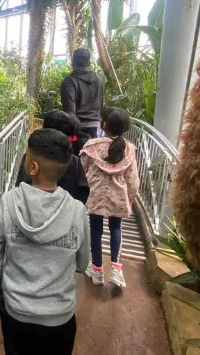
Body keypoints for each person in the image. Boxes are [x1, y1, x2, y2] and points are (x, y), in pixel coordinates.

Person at [0, 128, 90, 355]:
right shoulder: (76, 211)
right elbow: (82, 263)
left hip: (16, 311)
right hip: (59, 316)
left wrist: (0, 288)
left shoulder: (8, 203)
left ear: (33, 167)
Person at [81, 108, 140, 289]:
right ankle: (116, 269)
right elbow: (133, 181)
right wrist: (129, 200)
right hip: (119, 196)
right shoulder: (129, 149)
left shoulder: (92, 146)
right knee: (116, 228)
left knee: (95, 230)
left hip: (95, 195)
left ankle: (97, 270)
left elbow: (82, 170)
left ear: (103, 124)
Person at [15, 109, 90, 205]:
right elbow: (83, 191)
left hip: (31, 207)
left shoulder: (31, 156)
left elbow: (21, 184)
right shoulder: (74, 161)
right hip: (65, 210)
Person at [61, 48, 104, 139]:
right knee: (90, 148)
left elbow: (69, 109)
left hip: (75, 128)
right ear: (88, 64)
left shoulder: (69, 81)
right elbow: (100, 104)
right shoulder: (98, 80)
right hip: (94, 126)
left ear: (72, 63)